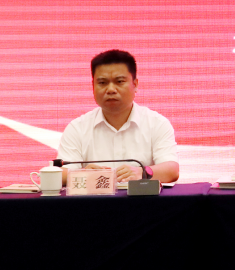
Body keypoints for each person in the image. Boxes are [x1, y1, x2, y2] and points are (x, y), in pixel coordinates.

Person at [57, 49, 180, 182]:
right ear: (93, 86)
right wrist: (83, 174)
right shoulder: (77, 128)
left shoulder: (157, 123)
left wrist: (142, 172)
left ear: (135, 84)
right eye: (102, 83)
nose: (111, 89)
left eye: (119, 81)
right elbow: (59, 174)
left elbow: (171, 170)